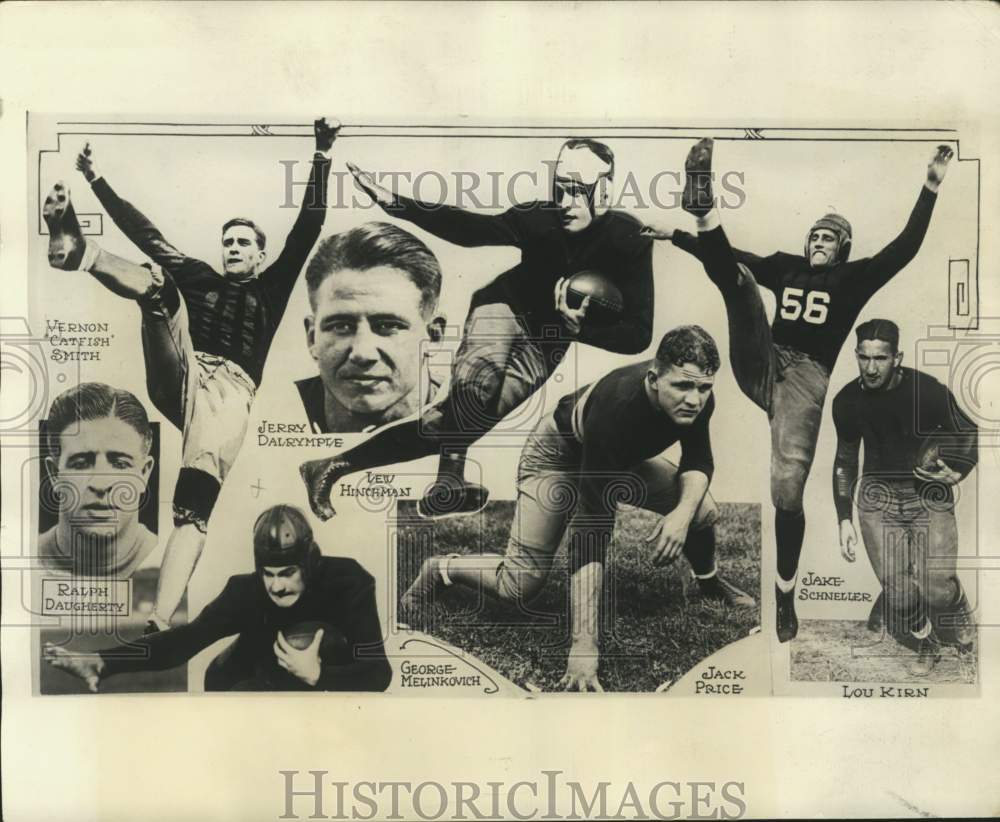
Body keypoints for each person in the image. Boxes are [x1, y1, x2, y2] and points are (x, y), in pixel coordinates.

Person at [642, 139, 953, 641]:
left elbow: (905, 248)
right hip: (764, 359)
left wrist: (930, 188)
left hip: (804, 383)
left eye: (828, 238)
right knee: (740, 282)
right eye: (815, 235)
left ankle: (785, 594)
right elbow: (732, 255)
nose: (818, 243)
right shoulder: (787, 265)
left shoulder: (853, 279)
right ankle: (703, 207)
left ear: (842, 247)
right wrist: (677, 234)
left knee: (787, 489)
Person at [42, 117, 339, 630]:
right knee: (158, 282)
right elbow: (146, 232)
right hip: (182, 372)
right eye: (228, 241)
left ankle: (159, 618)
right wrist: (95, 180)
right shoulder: (200, 276)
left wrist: (321, 151)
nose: (233, 248)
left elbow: (307, 228)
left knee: (193, 506)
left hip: (229, 394)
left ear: (260, 254)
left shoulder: (271, 287)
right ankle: (78, 251)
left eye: (244, 243)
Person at [300, 138, 654, 520]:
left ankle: (332, 466)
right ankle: (448, 482)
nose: (567, 202)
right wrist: (396, 202)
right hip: (504, 306)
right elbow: (470, 229)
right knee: (476, 387)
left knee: (454, 422)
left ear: (605, 189)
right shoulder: (539, 217)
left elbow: (639, 334)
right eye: (561, 188)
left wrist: (579, 329)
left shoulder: (627, 239)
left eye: (579, 191)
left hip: (549, 340)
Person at [400, 326, 755, 692]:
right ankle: (442, 568)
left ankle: (708, 583)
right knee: (519, 586)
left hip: (618, 458)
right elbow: (592, 528)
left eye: (703, 388)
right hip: (555, 457)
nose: (694, 399)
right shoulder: (617, 406)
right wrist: (584, 644)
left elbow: (698, 459)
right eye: (682, 386)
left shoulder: (697, 397)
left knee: (699, 508)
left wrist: (680, 516)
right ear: (653, 378)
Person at [43, 504, 393, 692]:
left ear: (309, 564)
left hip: (315, 676)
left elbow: (378, 673)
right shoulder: (245, 591)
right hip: (241, 680)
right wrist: (104, 662)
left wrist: (319, 676)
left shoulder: (348, 582)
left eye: (287, 573)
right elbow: (184, 640)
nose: (277, 587)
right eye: (268, 574)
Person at [831, 319, 977, 676]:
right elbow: (845, 460)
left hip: (926, 494)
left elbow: (968, 430)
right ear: (856, 355)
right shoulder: (847, 400)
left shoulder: (926, 390)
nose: (871, 367)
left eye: (880, 358)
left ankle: (957, 608)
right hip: (877, 499)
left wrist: (958, 470)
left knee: (936, 588)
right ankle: (927, 642)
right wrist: (844, 519)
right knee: (896, 590)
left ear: (897, 357)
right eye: (863, 358)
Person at [296, 222, 446, 433]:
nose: (362, 353)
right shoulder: (264, 413)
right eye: (341, 326)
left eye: (387, 326)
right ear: (312, 338)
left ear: (433, 336)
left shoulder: (484, 427)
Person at [39, 382, 156, 578]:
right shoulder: (23, 559)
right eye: (81, 463)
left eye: (119, 464)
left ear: (143, 473)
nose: (100, 485)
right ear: (54, 474)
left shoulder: (167, 564)